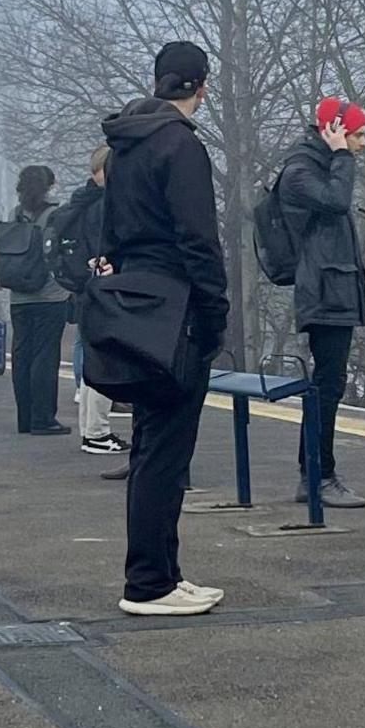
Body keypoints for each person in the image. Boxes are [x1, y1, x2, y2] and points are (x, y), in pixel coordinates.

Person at [101, 41, 229, 616]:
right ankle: (150, 581)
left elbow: (110, 229)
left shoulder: (123, 144)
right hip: (178, 306)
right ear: (201, 86)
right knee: (167, 451)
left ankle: (164, 572)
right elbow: (199, 238)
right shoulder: (181, 146)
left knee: (151, 442)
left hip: (136, 303)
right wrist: (215, 310)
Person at [277, 97, 365, 509]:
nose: (364, 143)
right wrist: (340, 155)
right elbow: (334, 200)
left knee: (330, 384)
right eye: (358, 135)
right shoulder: (302, 171)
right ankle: (318, 474)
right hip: (323, 291)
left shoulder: (318, 166)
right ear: (334, 132)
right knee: (327, 385)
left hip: (334, 287)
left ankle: (316, 471)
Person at [57, 146, 127, 461]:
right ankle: (98, 432)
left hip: (84, 288)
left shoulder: (79, 202)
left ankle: (90, 430)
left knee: (90, 361)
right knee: (104, 361)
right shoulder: (106, 206)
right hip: (104, 287)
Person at [4, 165, 74, 436]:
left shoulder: (15, 214)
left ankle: (25, 418)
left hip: (18, 296)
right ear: (49, 186)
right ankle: (43, 418)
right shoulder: (55, 214)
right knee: (45, 356)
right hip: (49, 295)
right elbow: (59, 252)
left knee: (22, 355)